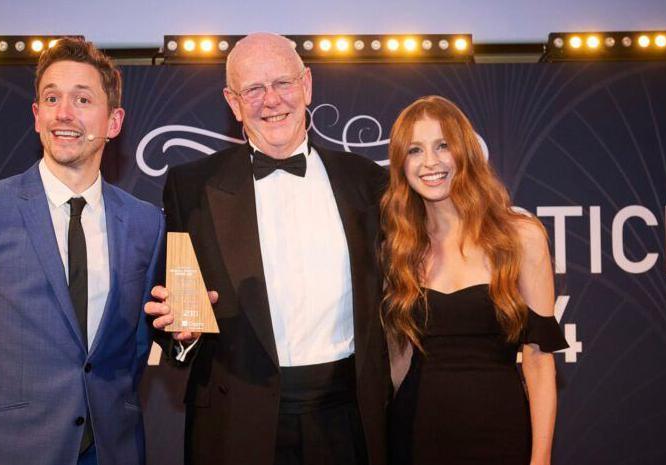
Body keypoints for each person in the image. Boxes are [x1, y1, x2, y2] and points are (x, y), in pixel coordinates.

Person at [144, 33, 390, 465]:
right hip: (235, 419)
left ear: (307, 85)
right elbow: (176, 309)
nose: (271, 100)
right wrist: (180, 335)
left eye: (283, 84)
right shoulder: (192, 188)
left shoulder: (368, 182)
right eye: (253, 89)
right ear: (233, 102)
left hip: (346, 419)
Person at [0, 38, 163, 465]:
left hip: (111, 450)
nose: (64, 113)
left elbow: (134, 350)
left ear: (114, 121)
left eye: (83, 99)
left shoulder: (145, 222)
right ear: (37, 115)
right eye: (52, 98)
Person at [381, 95, 568, 465]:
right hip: (414, 436)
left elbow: (538, 360)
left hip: (501, 431)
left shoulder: (519, 236)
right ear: (401, 164)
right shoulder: (396, 248)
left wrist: (541, 458)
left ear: (465, 151)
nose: (430, 162)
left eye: (443, 146)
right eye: (415, 150)